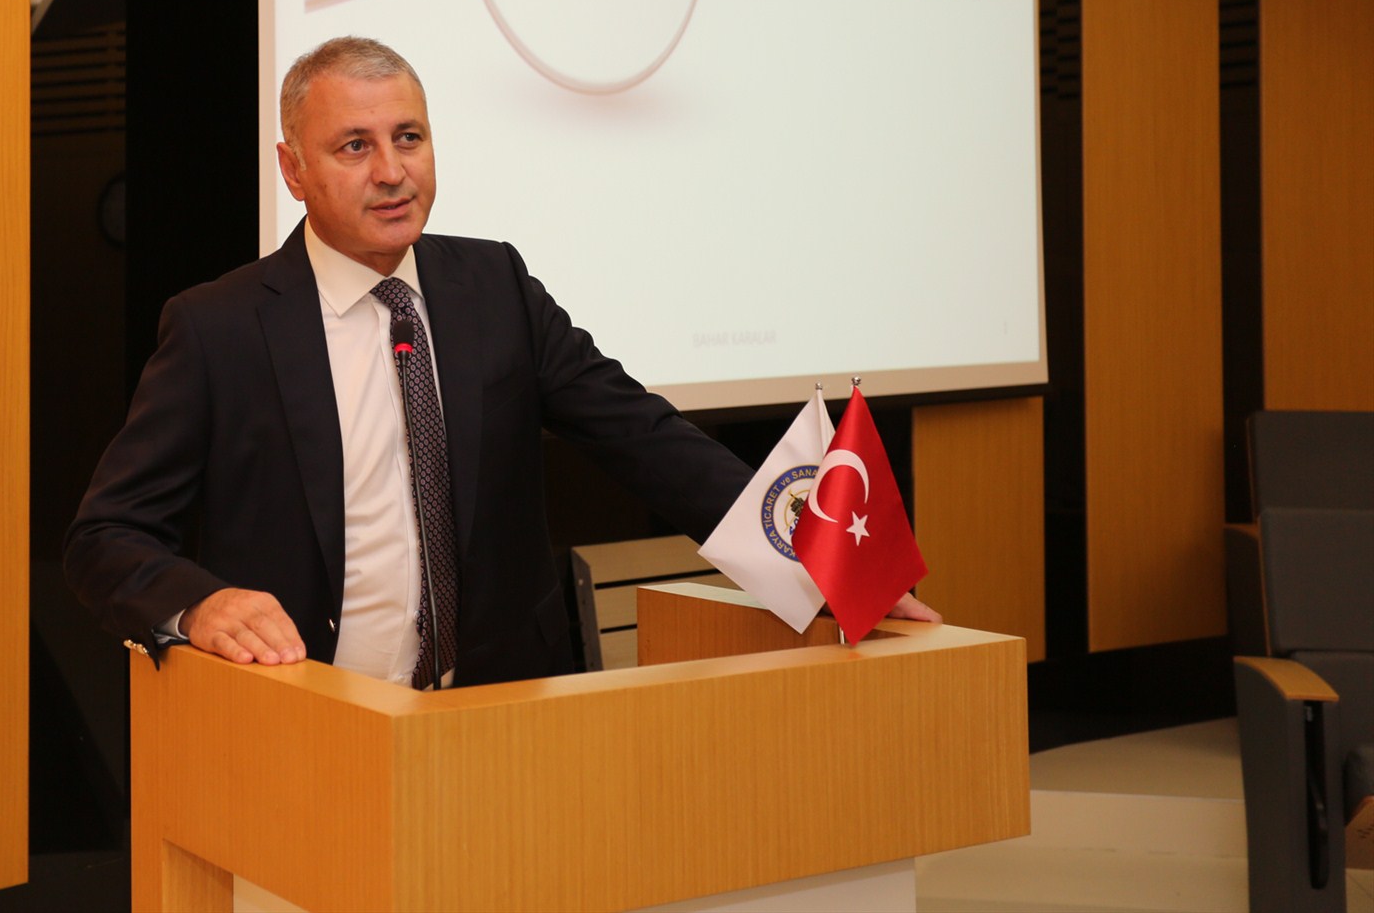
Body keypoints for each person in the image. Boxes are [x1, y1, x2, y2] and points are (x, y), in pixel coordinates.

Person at [64, 36, 934, 687]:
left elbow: (643, 436)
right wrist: (199, 602)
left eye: (409, 137)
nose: (392, 171)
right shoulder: (220, 328)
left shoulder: (494, 286)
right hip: (316, 721)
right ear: (293, 170)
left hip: (500, 714)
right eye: (354, 146)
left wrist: (813, 555)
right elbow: (105, 537)